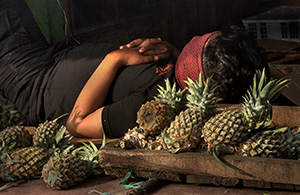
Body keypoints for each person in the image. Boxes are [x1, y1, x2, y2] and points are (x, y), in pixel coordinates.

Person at [0, 0, 267, 139]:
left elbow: (77, 124)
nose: (204, 35)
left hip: (28, 81)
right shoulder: (173, 70)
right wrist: (172, 52)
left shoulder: (147, 107)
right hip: (49, 57)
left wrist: (115, 59)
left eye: (209, 40)